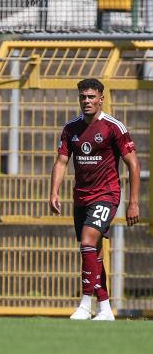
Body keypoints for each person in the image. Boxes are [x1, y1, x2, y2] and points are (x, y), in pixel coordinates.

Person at [49, 78, 140, 321]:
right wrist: (54, 192)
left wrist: (133, 202)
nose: (86, 101)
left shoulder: (113, 127)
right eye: (83, 97)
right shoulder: (71, 129)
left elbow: (133, 164)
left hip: (107, 194)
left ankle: (84, 305)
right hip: (81, 197)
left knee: (88, 241)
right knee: (93, 251)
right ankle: (106, 310)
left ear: (101, 98)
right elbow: (60, 162)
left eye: (91, 97)